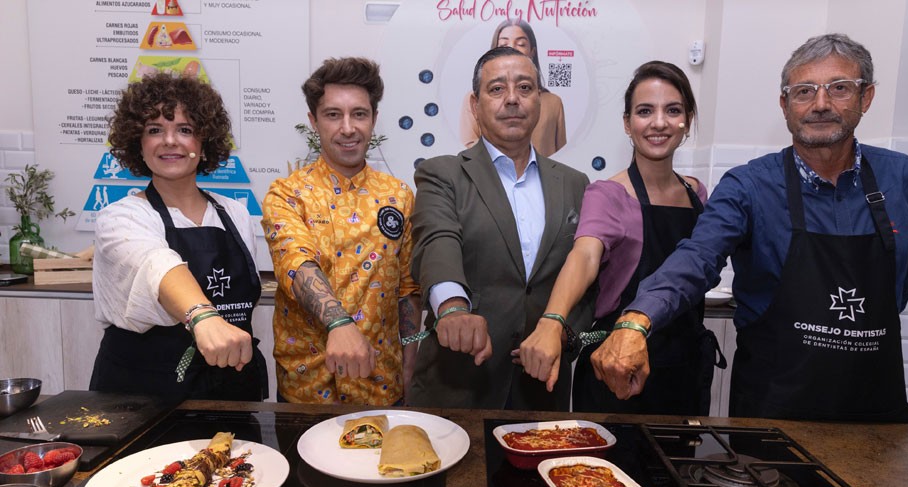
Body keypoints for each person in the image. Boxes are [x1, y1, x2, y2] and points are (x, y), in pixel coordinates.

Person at [591, 34, 908, 423]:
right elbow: (697, 257)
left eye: (839, 89)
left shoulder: (906, 178)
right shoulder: (749, 187)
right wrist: (637, 319)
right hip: (774, 408)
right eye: (804, 91)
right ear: (785, 105)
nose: (821, 104)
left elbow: (901, 283)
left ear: (866, 97)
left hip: (874, 408)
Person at [518, 61, 715, 415]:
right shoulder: (608, 193)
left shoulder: (698, 193)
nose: (658, 123)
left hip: (684, 369)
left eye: (673, 110)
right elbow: (585, 256)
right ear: (627, 123)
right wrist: (553, 320)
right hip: (613, 370)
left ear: (688, 121)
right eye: (644, 111)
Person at [409, 46, 592, 411]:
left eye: (525, 88)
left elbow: (584, 274)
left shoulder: (575, 183)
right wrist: (453, 308)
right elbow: (437, 239)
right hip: (457, 387)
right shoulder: (443, 173)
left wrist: (565, 334)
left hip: (542, 393)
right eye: (496, 89)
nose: (512, 99)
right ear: (475, 106)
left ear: (539, 102)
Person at [90, 72, 267, 401]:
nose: (170, 141)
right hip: (143, 394)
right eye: (154, 130)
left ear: (204, 143)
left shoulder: (236, 215)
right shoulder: (122, 217)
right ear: (138, 144)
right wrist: (203, 316)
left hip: (231, 392)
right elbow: (156, 264)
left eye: (185, 130)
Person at [261, 57, 421, 405]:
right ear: (313, 122)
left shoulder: (399, 196)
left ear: (374, 119)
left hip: (380, 389)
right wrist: (339, 324)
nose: (348, 128)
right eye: (333, 114)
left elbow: (407, 290)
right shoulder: (288, 194)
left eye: (359, 114)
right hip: (306, 393)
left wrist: (410, 363)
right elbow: (296, 263)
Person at [459, 18, 567, 156]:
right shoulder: (474, 98)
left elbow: (563, 154)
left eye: (521, 44)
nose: (512, 49)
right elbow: (468, 148)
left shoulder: (553, 102)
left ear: (532, 52)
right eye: (504, 44)